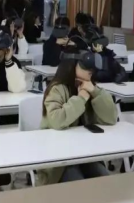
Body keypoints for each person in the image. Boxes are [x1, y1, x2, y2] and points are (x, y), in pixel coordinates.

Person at [38, 57, 118, 185]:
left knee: (105, 180)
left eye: (92, 70)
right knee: (78, 183)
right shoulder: (57, 89)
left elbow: (111, 118)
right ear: (74, 66)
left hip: (85, 153)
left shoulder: (90, 87)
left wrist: (96, 92)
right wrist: (80, 99)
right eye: (86, 69)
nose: (90, 72)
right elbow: (57, 120)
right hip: (58, 157)